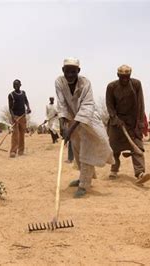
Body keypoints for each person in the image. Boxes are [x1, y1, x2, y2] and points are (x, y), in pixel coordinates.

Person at [56, 58, 114, 198]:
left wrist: (71, 128)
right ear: (63, 71)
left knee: (91, 147)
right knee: (77, 150)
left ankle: (84, 185)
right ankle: (84, 177)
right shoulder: (59, 82)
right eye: (67, 71)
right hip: (71, 119)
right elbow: (61, 104)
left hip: (88, 120)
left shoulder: (85, 83)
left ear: (78, 71)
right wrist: (63, 124)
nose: (70, 75)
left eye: (73, 72)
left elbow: (86, 107)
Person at [106, 64, 150, 184]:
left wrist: (140, 123)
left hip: (132, 121)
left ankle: (140, 173)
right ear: (118, 75)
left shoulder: (136, 84)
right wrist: (115, 119)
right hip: (116, 121)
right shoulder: (111, 87)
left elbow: (140, 103)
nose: (125, 79)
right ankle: (114, 169)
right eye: (122, 77)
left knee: (137, 146)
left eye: (127, 76)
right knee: (114, 147)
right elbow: (110, 105)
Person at [8, 79, 31, 158]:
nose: (16, 86)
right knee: (15, 134)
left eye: (17, 85)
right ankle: (13, 151)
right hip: (15, 117)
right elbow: (10, 108)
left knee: (22, 134)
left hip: (23, 116)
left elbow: (26, 101)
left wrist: (28, 108)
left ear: (20, 85)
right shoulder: (11, 95)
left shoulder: (23, 93)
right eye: (14, 85)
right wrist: (13, 117)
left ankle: (21, 150)